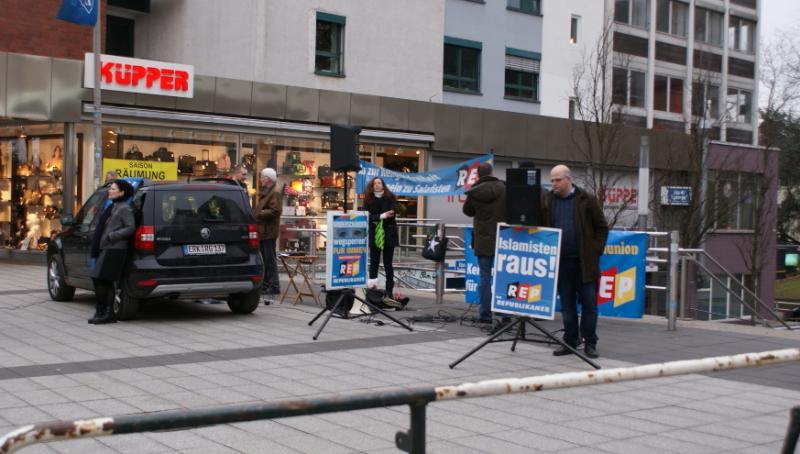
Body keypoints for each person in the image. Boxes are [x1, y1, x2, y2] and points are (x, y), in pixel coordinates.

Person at [541, 165, 608, 359]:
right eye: (552, 180)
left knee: (589, 305)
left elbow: (601, 227)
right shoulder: (547, 201)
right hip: (562, 263)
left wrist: (595, 251)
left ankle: (590, 342)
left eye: (557, 180)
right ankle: (570, 340)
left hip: (584, 263)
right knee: (567, 306)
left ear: (568, 179)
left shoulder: (586, 200)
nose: (554, 184)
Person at [462, 162, 506, 325]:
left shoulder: (475, 191)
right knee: (504, 277)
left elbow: (467, 211)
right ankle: (506, 315)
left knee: (485, 278)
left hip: (483, 240)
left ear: (478, 175)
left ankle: (485, 315)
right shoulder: (503, 188)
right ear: (491, 172)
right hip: (503, 239)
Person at [89, 179, 135, 325]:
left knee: (101, 279)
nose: (110, 191)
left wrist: (111, 236)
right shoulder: (113, 206)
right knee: (103, 280)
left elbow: (130, 227)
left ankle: (106, 313)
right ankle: (103, 312)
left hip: (115, 248)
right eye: (110, 189)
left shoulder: (124, 208)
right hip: (108, 248)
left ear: (122, 192)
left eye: (113, 189)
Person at [363, 177, 401, 299]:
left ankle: (389, 291)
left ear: (383, 185)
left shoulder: (390, 197)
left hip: (389, 234)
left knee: (388, 263)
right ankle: (372, 290)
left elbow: (395, 211)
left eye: (379, 183)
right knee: (374, 262)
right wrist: (381, 216)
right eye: (375, 183)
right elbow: (366, 216)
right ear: (372, 186)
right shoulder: (368, 200)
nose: (377, 185)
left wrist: (381, 216)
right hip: (375, 235)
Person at [255, 167, 282, 302]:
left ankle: (273, 285)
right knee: (265, 259)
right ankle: (267, 284)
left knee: (269, 259)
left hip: (268, 231)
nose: (260, 180)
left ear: (268, 179)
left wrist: (259, 214)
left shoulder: (274, 193)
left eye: (262, 178)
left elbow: (275, 211)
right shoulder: (268, 192)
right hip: (264, 231)